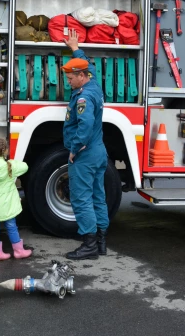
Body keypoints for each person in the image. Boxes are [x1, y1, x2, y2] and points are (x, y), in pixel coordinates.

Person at [61, 29, 109, 261]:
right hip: (99, 152)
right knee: (98, 196)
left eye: (70, 79)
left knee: (81, 198)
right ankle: (100, 241)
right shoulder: (94, 84)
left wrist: (75, 148)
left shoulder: (83, 97)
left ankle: (88, 245)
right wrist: (75, 48)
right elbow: (89, 63)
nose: (68, 82)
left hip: (85, 154)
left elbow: (86, 123)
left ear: (81, 76)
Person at [0, 137, 32, 261]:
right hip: (8, 205)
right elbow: (25, 166)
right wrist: (12, 161)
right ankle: (19, 251)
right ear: (5, 151)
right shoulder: (10, 166)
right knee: (11, 226)